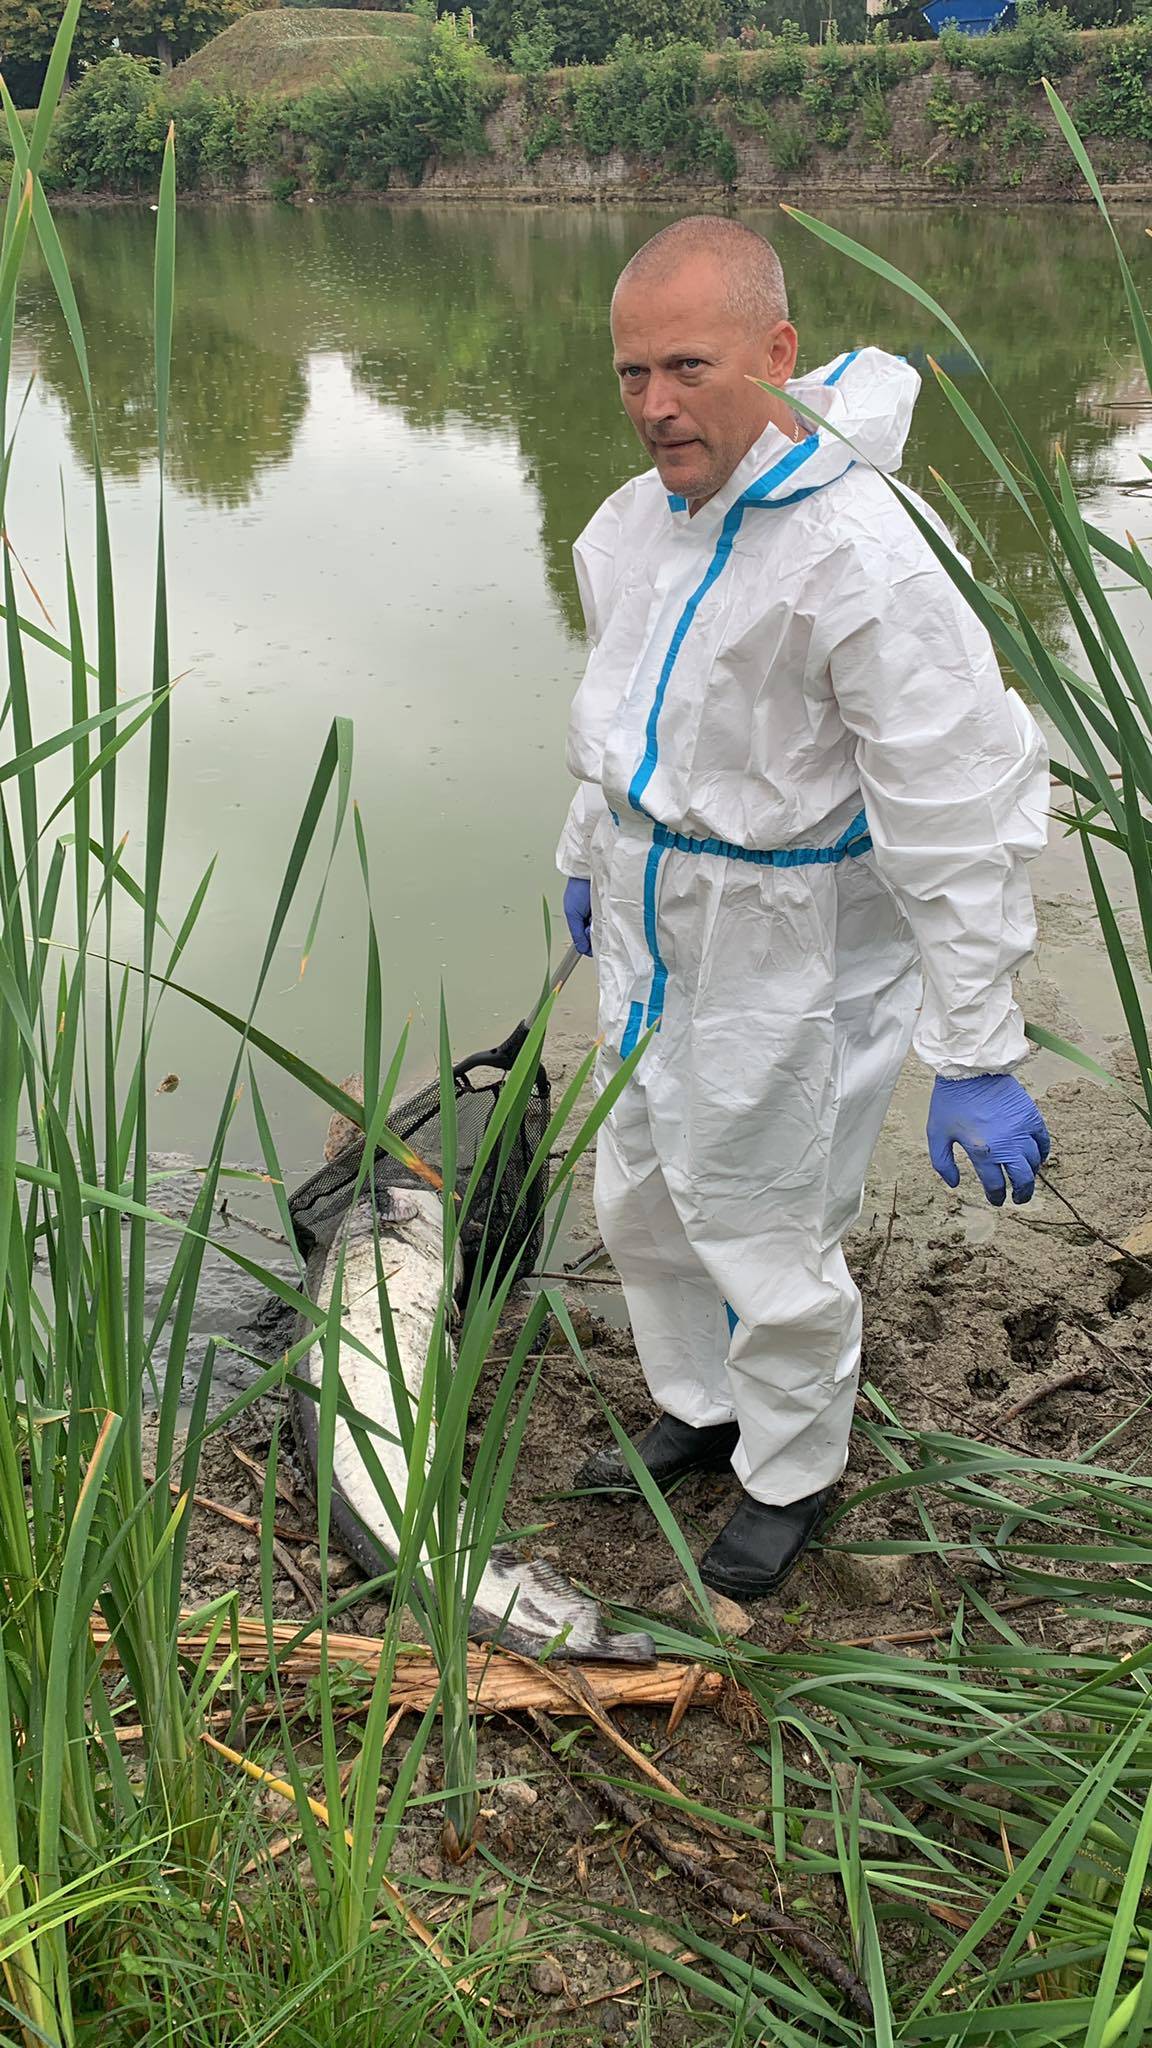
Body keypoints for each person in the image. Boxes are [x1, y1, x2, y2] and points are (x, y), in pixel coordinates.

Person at [556, 216, 1051, 1600]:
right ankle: (701, 1407)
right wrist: (587, 848)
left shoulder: (861, 554)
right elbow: (617, 713)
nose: (655, 404)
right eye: (632, 372)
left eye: (689, 367)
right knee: (643, 1189)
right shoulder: (641, 522)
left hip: (788, 945)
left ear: (776, 353)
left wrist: (976, 1047)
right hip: (656, 920)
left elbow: (953, 808)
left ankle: (788, 1470)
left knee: (766, 1221)